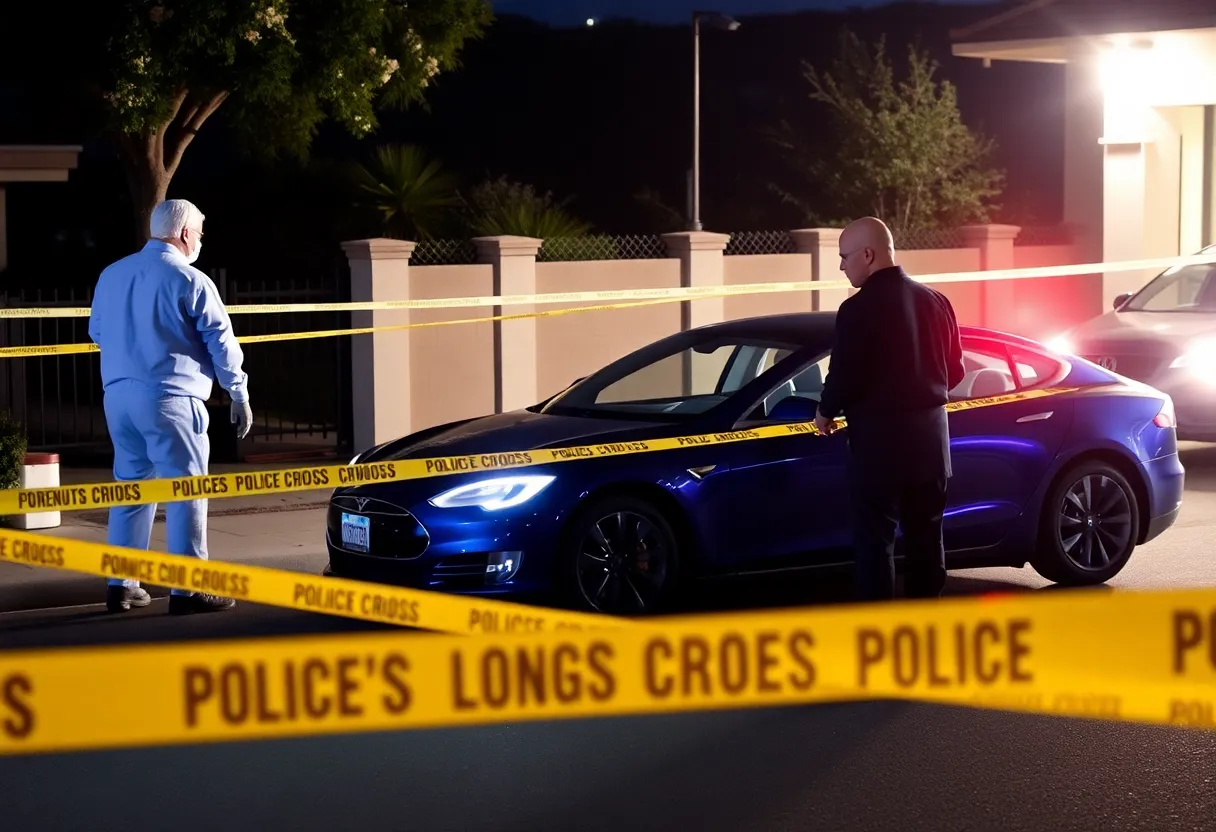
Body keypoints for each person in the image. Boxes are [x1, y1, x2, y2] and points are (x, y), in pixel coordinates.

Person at [89, 199, 253, 615]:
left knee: (131, 490)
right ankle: (189, 588)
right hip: (171, 399)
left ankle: (122, 585)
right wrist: (238, 392)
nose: (200, 237)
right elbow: (221, 341)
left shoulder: (112, 275)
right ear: (183, 233)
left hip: (119, 398)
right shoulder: (190, 279)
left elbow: (97, 332)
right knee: (186, 492)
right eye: (199, 230)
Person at [813, 217, 964, 601]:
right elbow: (956, 370)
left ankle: (880, 632)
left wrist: (824, 413)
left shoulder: (856, 310)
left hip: (878, 445)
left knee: (875, 542)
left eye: (845, 256)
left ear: (868, 254)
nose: (842, 265)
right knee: (927, 539)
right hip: (932, 442)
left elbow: (844, 373)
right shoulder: (937, 302)